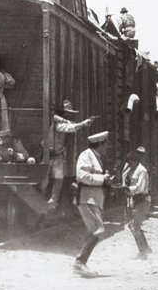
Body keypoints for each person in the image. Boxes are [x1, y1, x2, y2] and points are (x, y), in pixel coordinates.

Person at [43, 100, 95, 207]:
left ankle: (53, 201)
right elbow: (70, 127)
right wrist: (83, 124)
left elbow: (72, 125)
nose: (69, 115)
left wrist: (83, 124)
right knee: (44, 180)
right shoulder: (58, 124)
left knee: (59, 179)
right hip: (48, 155)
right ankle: (43, 199)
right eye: (67, 113)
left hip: (57, 155)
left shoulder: (62, 121)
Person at [74, 131, 112, 277]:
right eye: (105, 144)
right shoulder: (86, 155)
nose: (107, 147)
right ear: (99, 144)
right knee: (98, 230)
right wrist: (103, 178)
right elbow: (82, 176)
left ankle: (81, 264)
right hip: (87, 198)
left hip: (95, 199)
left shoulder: (97, 157)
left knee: (94, 231)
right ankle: (79, 263)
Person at [122, 151, 152, 258]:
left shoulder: (142, 171)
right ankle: (145, 248)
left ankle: (143, 251)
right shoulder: (130, 170)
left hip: (143, 201)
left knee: (135, 226)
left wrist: (128, 189)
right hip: (135, 201)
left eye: (130, 162)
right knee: (132, 225)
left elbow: (141, 188)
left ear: (135, 161)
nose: (129, 165)